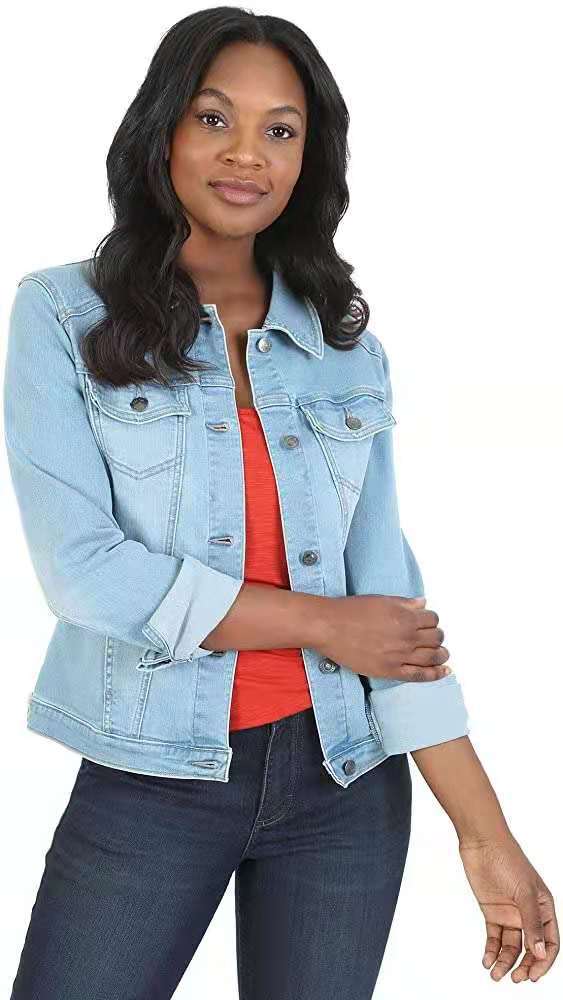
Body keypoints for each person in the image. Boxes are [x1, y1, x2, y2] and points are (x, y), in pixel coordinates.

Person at [4, 7, 558, 998]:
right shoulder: (62, 315)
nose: (245, 155)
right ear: (163, 130)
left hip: (344, 788)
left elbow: (389, 613)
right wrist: (321, 624)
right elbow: (84, 573)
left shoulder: (343, 349)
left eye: (280, 129)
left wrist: (485, 837)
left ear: (309, 157)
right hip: (149, 781)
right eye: (214, 118)